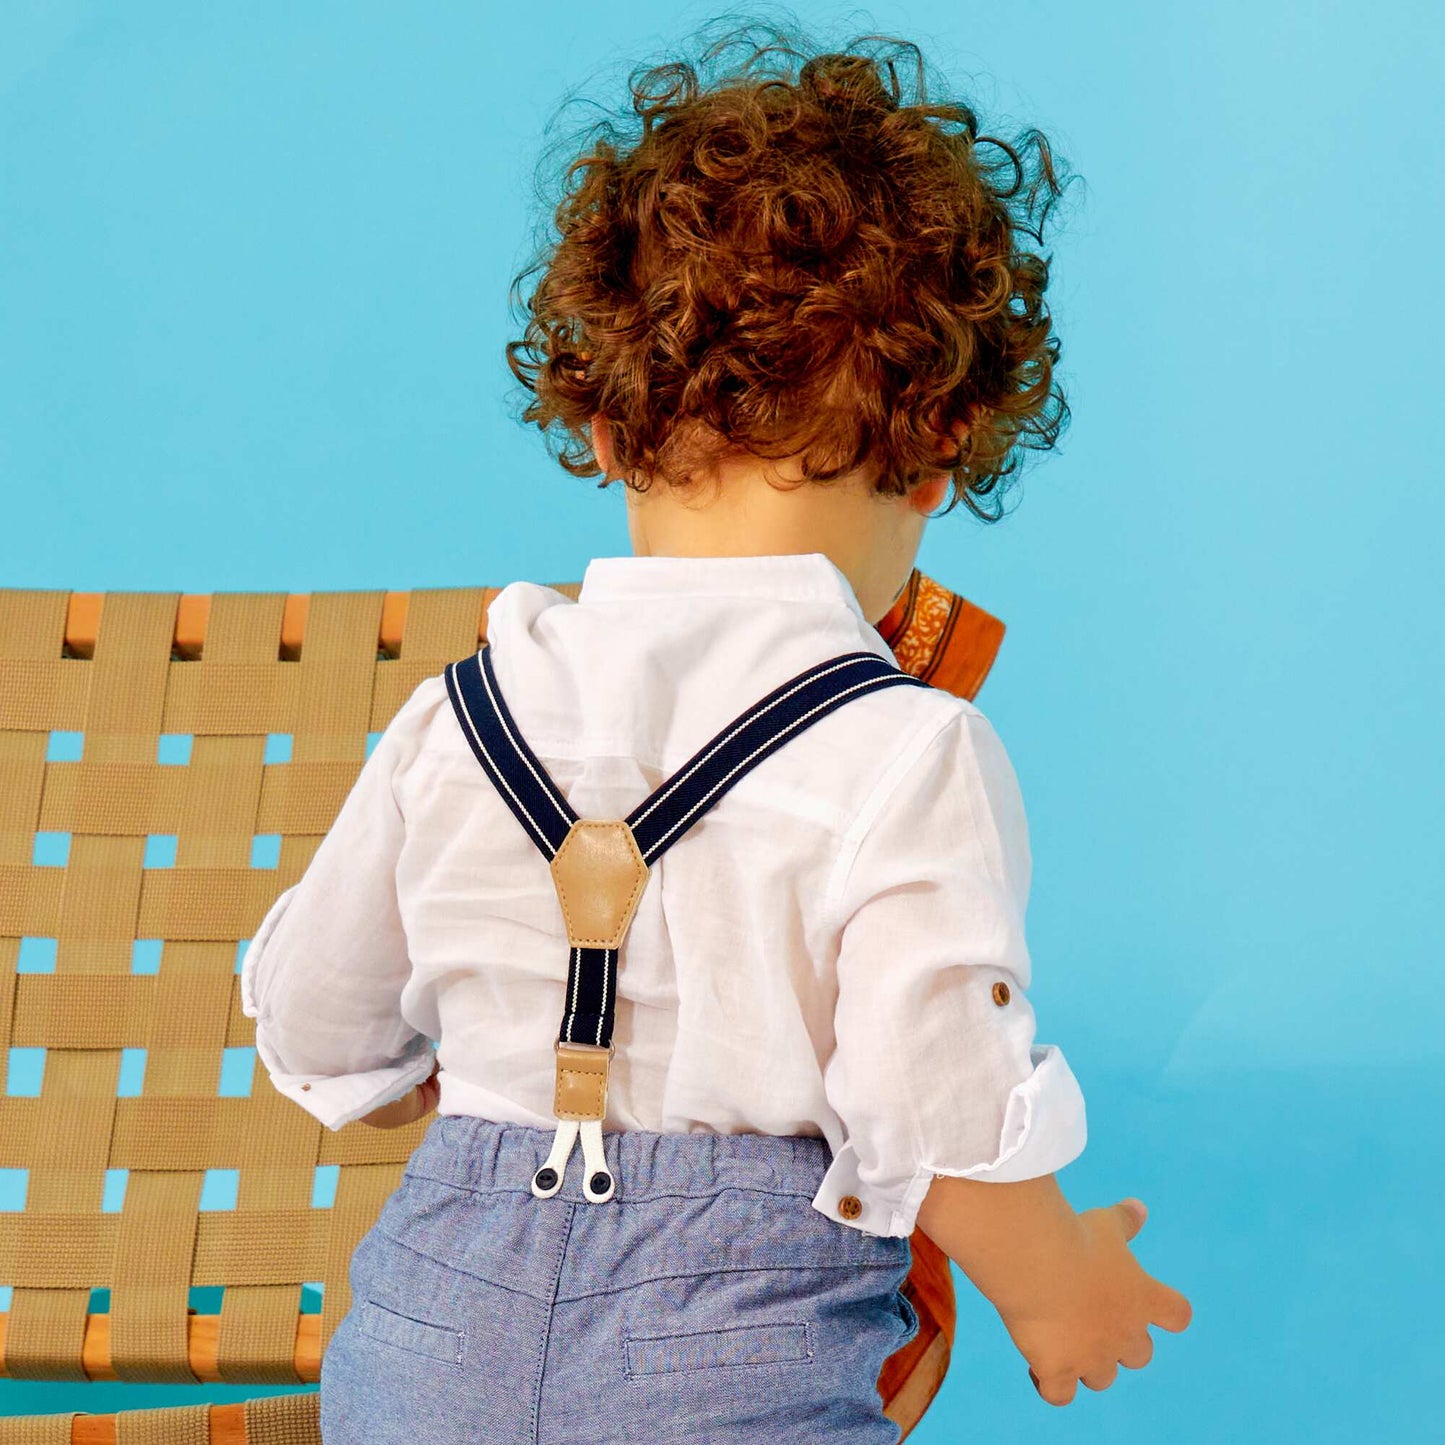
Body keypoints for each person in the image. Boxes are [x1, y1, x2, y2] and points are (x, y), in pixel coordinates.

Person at [240, 24, 1190, 1442]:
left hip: (422, 1350)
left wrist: (461, 1080)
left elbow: (316, 1018)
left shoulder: (462, 715)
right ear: (937, 451)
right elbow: (931, 1097)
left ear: (608, 434)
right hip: (720, 1366)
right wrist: (1059, 1284)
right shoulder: (901, 749)